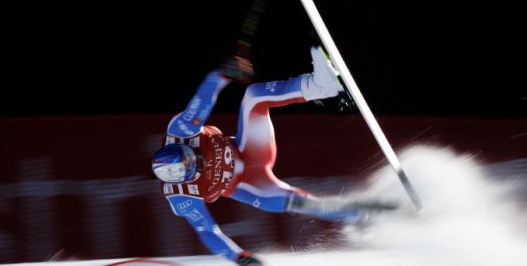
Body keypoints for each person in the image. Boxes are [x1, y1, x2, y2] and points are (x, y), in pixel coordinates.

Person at [151, 46, 401, 265]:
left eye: (194, 157)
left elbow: (201, 101)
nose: (201, 162)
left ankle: (318, 86)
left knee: (254, 97)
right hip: (249, 183)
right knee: (303, 203)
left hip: (249, 148)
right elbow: (207, 231)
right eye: (196, 169)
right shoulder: (181, 197)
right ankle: (372, 212)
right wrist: (240, 258)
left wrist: (222, 75)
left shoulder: (181, 132)